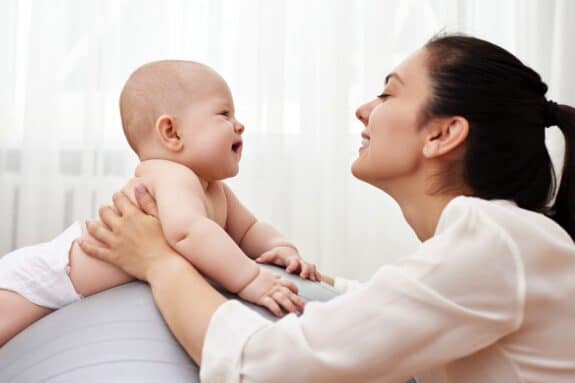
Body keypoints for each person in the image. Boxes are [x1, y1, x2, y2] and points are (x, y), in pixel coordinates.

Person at [79, 34, 575, 382]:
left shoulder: (494, 237)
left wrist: (159, 262)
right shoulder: (499, 242)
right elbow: (393, 308)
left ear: (443, 134)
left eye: (388, 93)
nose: (364, 109)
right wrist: (320, 282)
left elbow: (263, 369)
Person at [0, 60, 320, 348]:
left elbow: (250, 229)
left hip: (69, 287)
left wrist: (283, 248)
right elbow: (187, 233)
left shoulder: (215, 190)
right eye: (224, 114)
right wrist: (251, 280)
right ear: (171, 132)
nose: (239, 125)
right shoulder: (169, 175)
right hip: (50, 275)